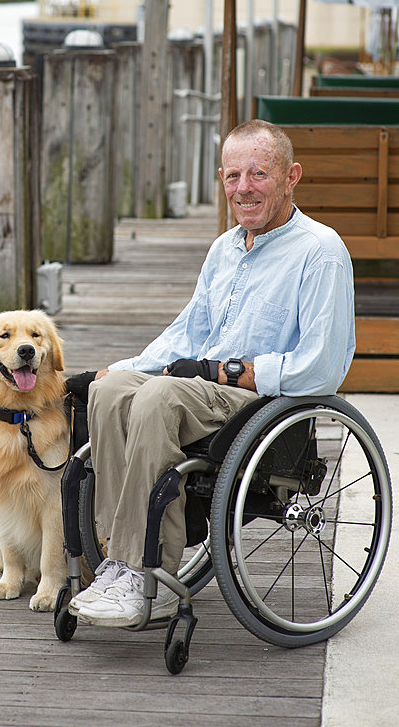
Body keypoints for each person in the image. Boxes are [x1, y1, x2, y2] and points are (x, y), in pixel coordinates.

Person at [68, 119, 355, 628]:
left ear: (292, 177)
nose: (243, 188)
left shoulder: (320, 251)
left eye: (259, 174)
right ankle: (114, 560)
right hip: (197, 386)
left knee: (159, 396)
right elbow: (184, 336)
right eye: (232, 176)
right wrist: (114, 369)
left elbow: (321, 368)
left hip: (260, 401)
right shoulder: (224, 249)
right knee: (110, 392)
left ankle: (144, 570)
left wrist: (230, 370)